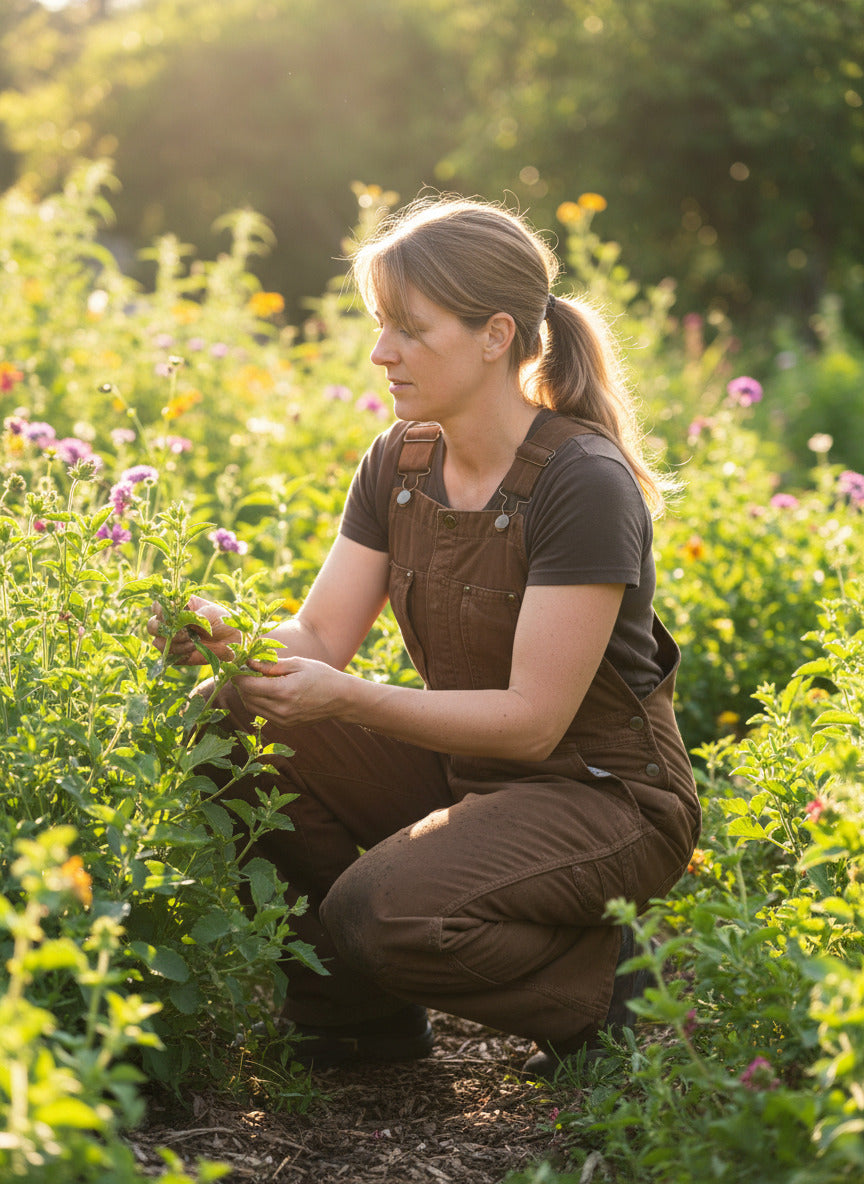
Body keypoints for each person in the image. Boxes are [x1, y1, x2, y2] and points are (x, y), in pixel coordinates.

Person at [148, 195, 701, 1077]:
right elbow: (322, 634)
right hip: (472, 775)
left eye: (410, 328)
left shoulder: (582, 482)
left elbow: (532, 723)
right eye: (379, 325)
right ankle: (357, 1020)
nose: (382, 353)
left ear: (496, 335)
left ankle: (602, 986)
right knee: (238, 716)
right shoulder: (399, 460)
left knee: (380, 912)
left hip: (606, 799)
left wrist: (350, 697)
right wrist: (229, 640)